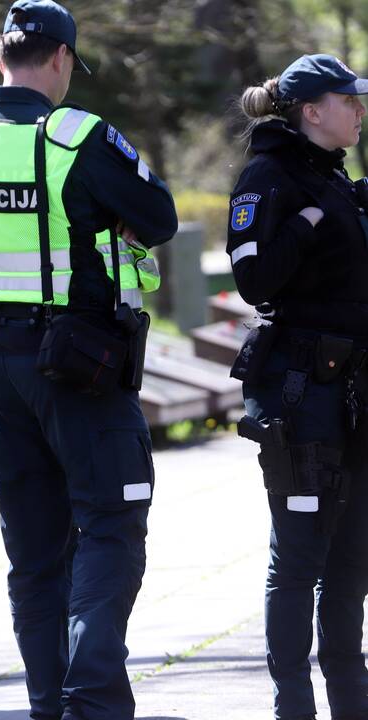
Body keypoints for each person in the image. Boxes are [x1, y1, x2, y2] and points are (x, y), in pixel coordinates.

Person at [0, 2, 177, 718]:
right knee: (111, 523)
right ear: (61, 59)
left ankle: (50, 702)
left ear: (1, 58)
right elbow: (159, 219)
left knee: (36, 549)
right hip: (77, 358)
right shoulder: (77, 136)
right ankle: (93, 703)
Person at [228, 55, 368, 720]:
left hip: (352, 398)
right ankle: (292, 707)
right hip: (299, 397)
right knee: (299, 562)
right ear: (311, 110)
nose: (359, 111)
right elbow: (256, 281)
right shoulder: (270, 176)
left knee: (349, 565)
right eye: (349, 100)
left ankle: (350, 704)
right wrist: (307, 222)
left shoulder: (334, 179)